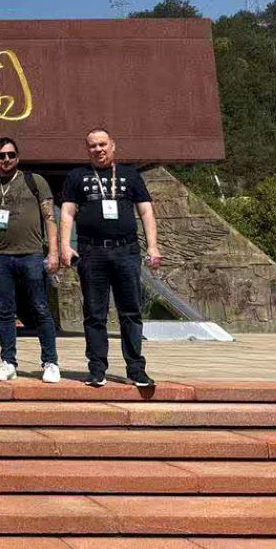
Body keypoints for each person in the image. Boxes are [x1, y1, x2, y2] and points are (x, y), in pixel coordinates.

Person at [60, 128, 162, 388]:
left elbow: (146, 212)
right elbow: (68, 213)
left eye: (103, 144)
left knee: (131, 312)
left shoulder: (131, 175)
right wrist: (64, 246)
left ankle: (136, 369)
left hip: (126, 251)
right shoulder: (76, 176)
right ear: (87, 149)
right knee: (95, 313)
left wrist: (153, 246)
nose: (98, 149)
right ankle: (97, 369)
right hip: (92, 252)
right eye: (93, 146)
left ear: (113, 146)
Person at [0, 137, 60, 383]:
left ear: (18, 157)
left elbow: (50, 219)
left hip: (31, 255)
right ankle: (8, 362)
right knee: (5, 312)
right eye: (1, 156)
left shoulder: (35, 181)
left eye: (11, 155)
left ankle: (50, 362)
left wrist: (53, 252)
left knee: (40, 308)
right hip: (0, 257)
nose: (6, 159)